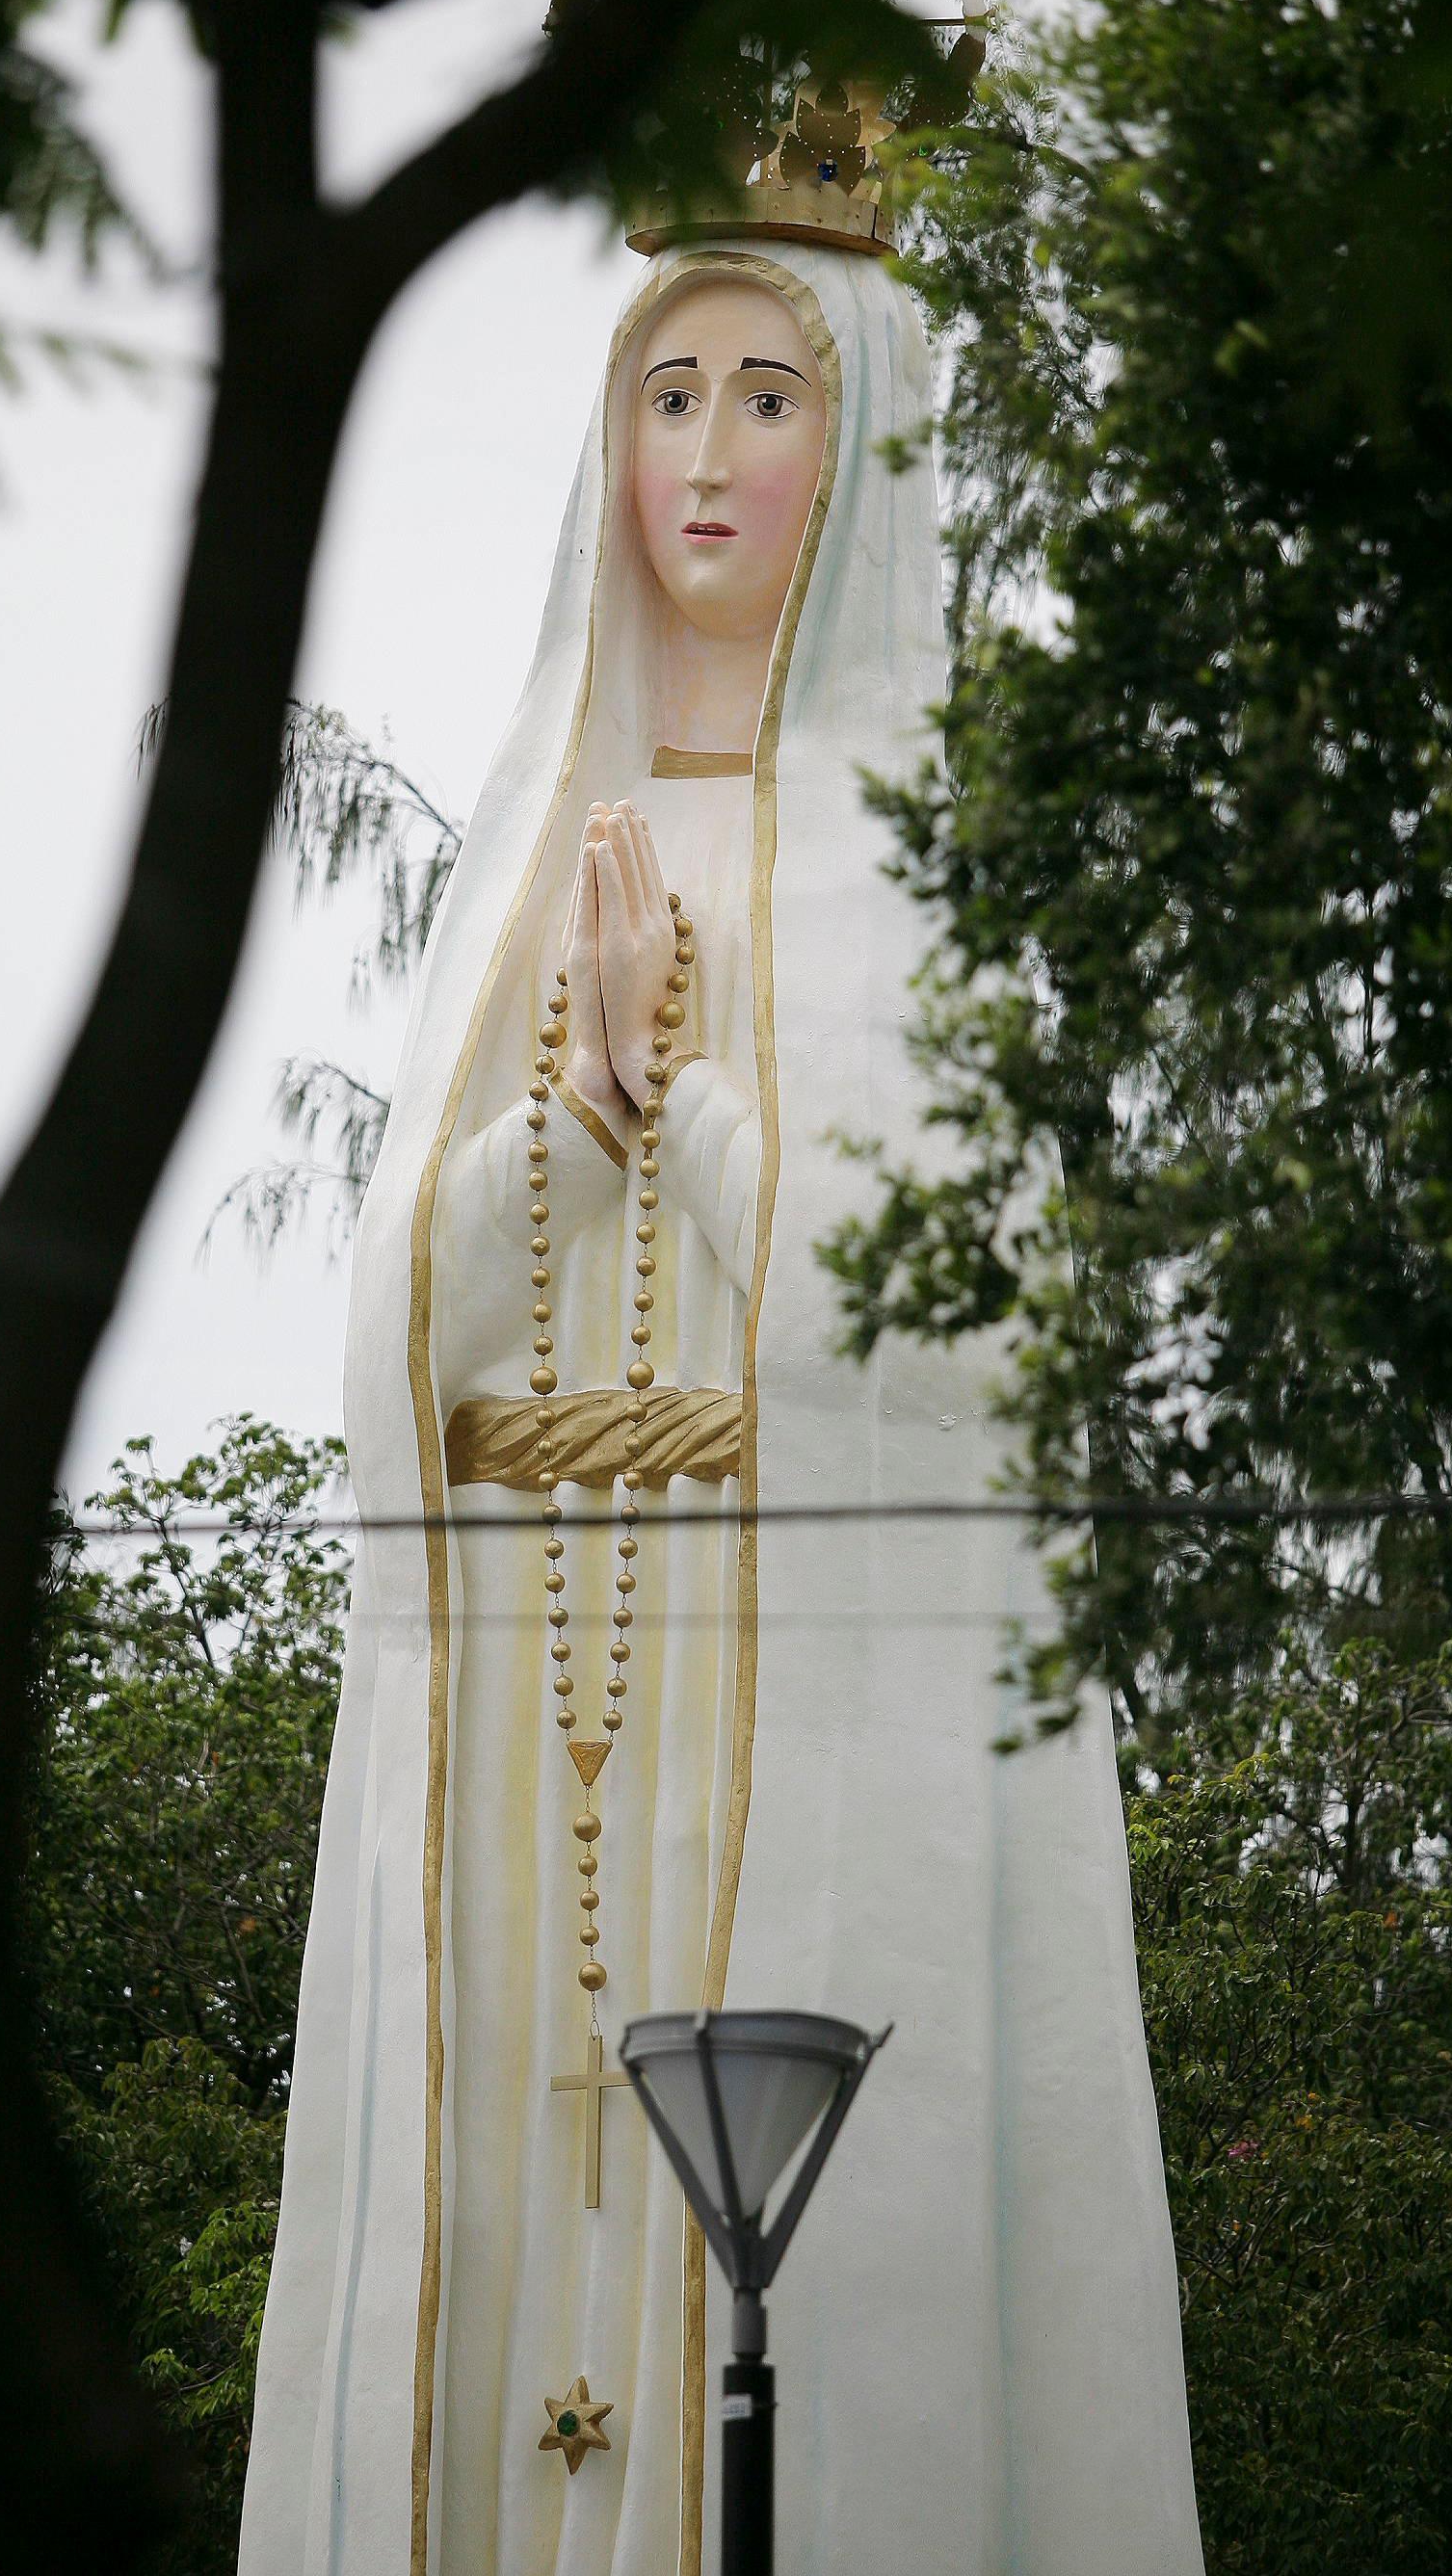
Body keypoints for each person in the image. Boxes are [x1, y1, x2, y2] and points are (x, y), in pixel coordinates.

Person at [239, 188, 1204, 2575]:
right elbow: (394, 1336)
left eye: (768, 398)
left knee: (791, 2310)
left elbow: (958, 1340)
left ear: (861, 454)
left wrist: (687, 1104)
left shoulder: (918, 881)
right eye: (665, 393)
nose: (703, 455)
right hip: (523, 1701)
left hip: (799, 1709)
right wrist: (573, 1118)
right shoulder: (528, 852)